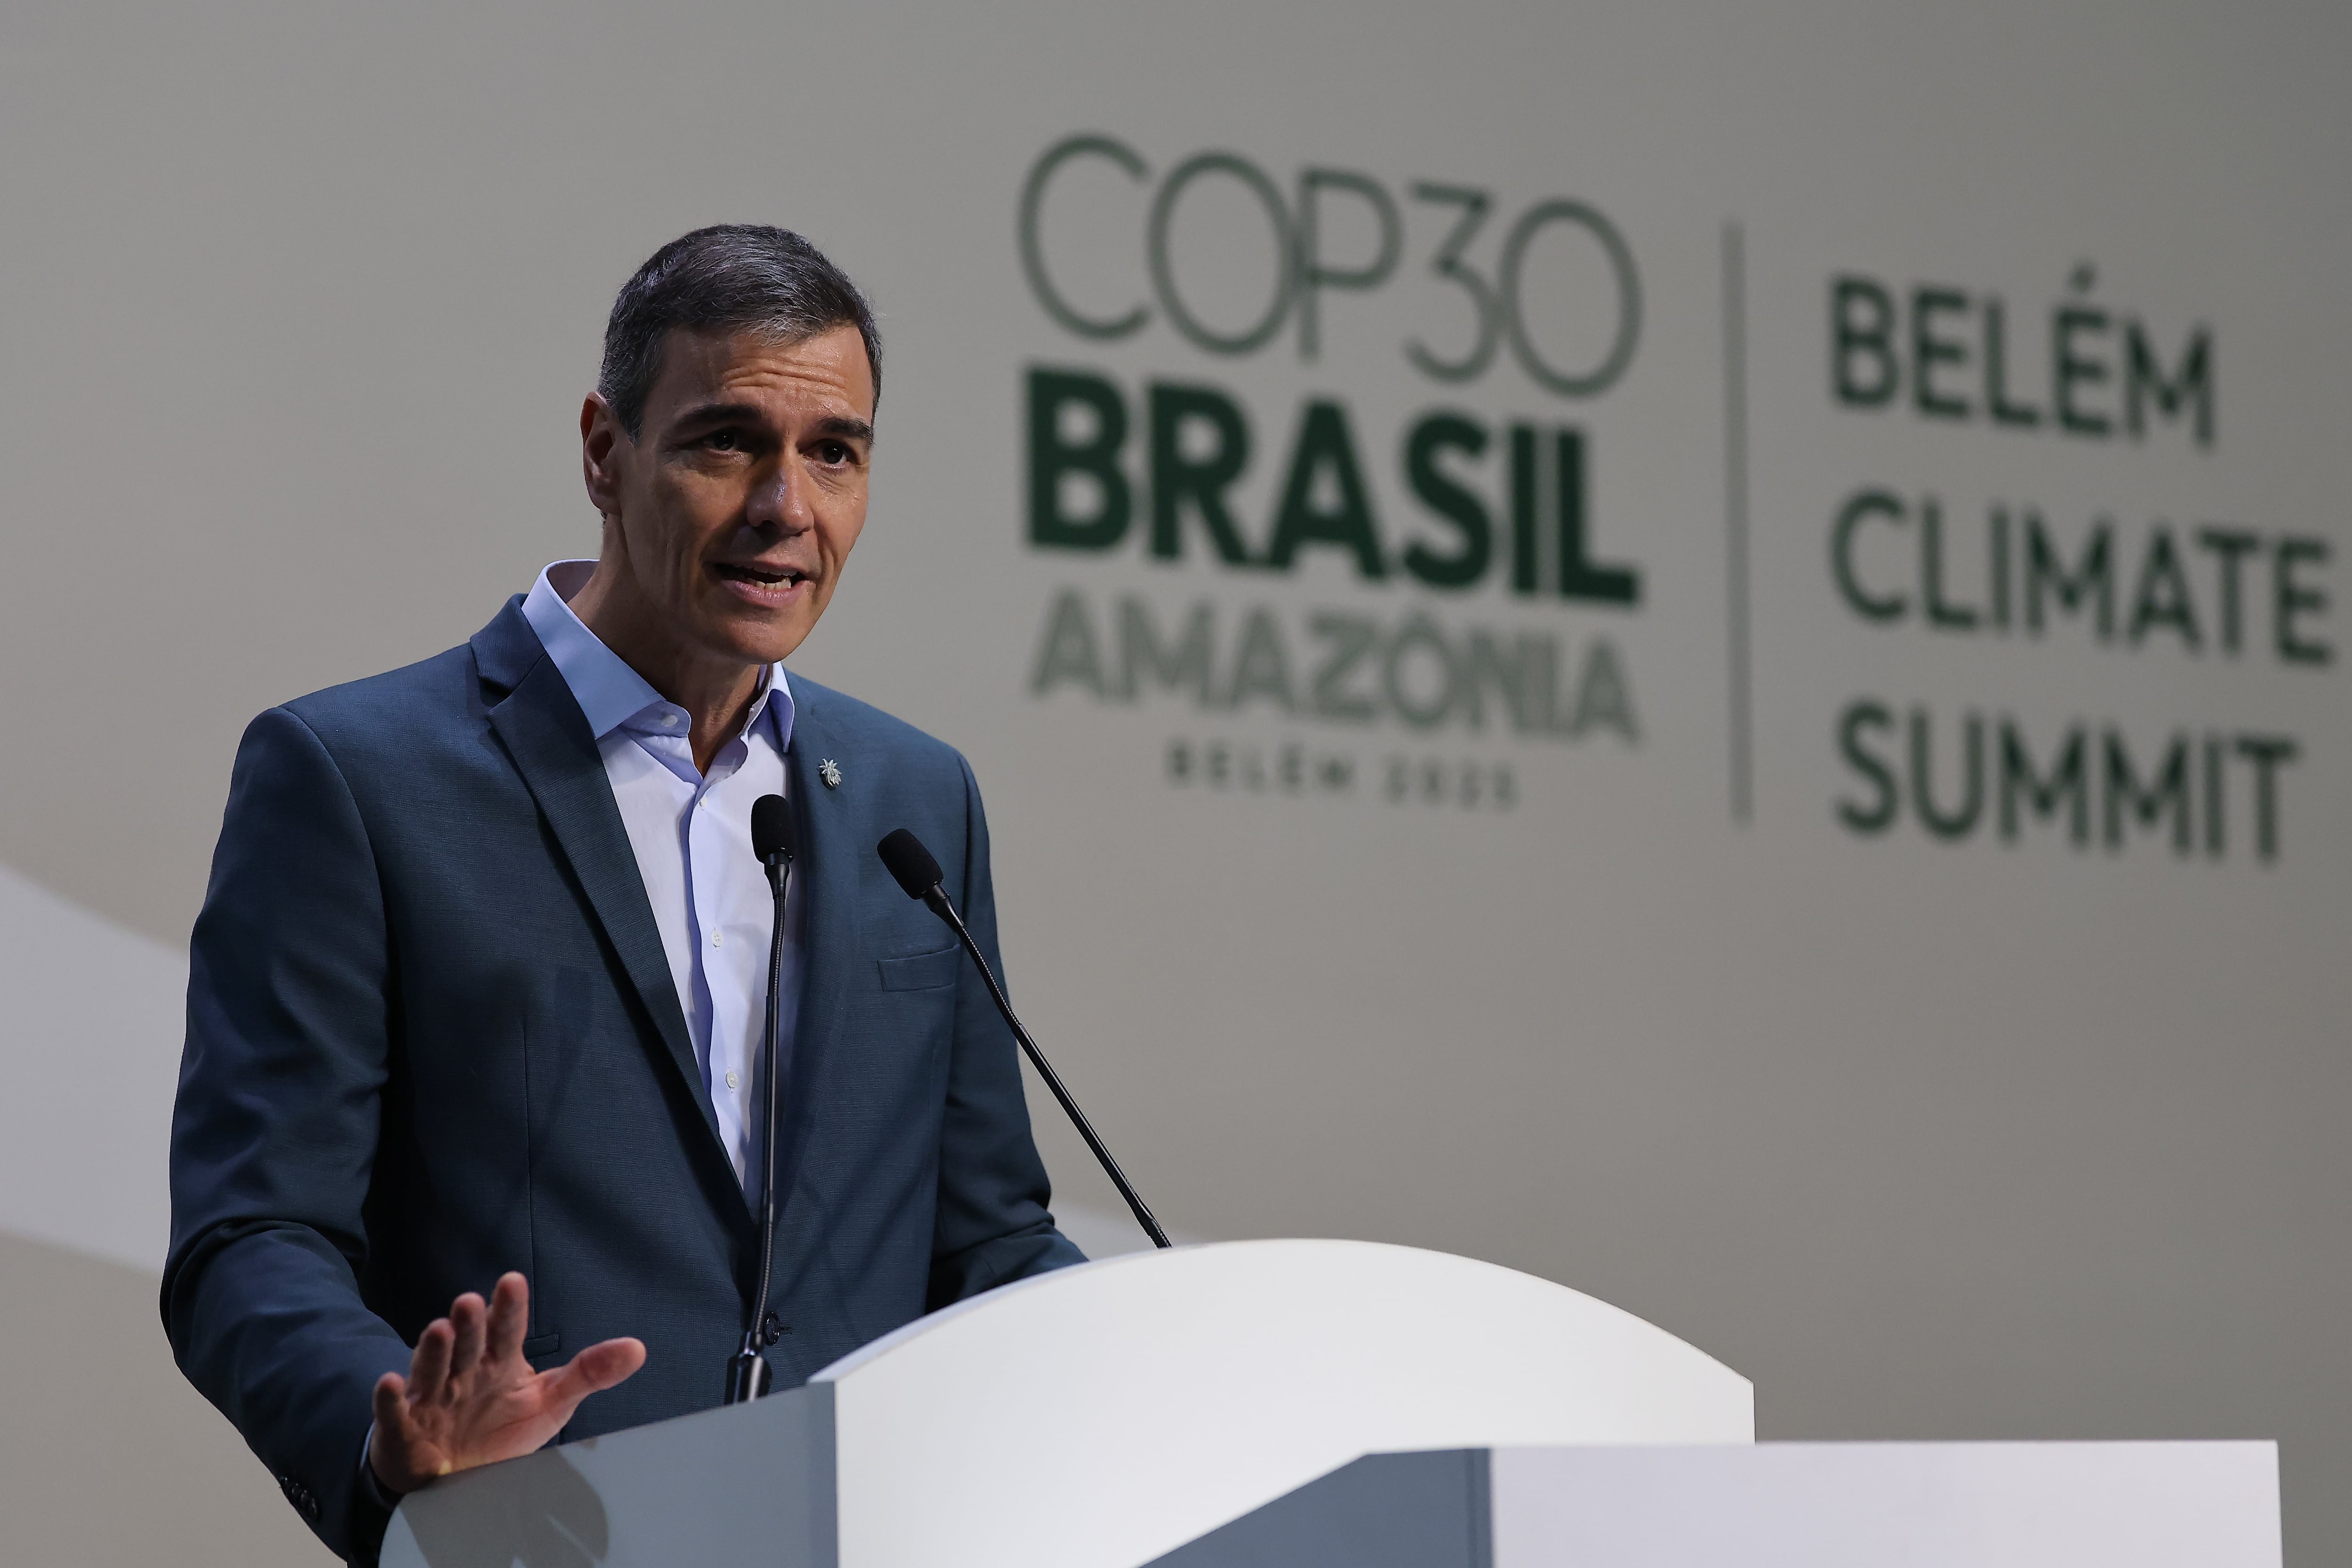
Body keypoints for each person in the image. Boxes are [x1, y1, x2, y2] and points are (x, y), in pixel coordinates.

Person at [163, 225, 1084, 1565]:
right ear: (606, 450)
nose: (788, 505)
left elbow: (988, 1239)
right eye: (727, 441)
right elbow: (255, 1233)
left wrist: (1181, 1354)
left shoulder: (911, 798)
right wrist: (391, 1437)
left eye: (836, 452)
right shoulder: (358, 778)